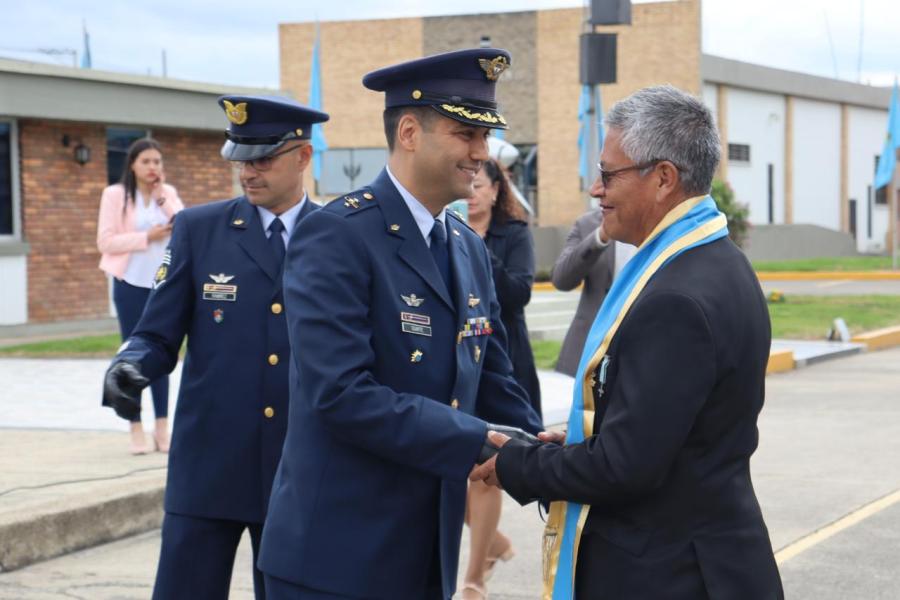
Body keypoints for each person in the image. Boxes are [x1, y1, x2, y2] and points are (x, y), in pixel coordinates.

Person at [471, 85, 784, 599]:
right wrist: (574, 444)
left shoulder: (675, 298)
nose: (597, 190)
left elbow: (626, 466)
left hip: (670, 574)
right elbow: (665, 433)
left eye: (609, 174)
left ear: (663, 179)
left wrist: (520, 465)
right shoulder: (718, 262)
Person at [258, 48, 543, 600]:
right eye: (466, 133)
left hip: (424, 552)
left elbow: (488, 377)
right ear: (410, 131)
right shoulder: (337, 235)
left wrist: (541, 445)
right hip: (336, 559)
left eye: (485, 137)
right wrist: (480, 441)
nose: (482, 153)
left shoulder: (466, 245)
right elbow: (340, 393)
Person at [101, 95, 328, 600]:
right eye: (240, 158)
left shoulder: (339, 236)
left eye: (263, 158)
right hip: (209, 465)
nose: (247, 172)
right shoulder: (200, 230)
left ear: (303, 156)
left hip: (300, 467)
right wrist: (131, 362)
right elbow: (158, 333)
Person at [460, 157, 539, 599]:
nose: (471, 192)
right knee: (452, 468)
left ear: (496, 190)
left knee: (483, 468)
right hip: (459, 362)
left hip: (502, 360)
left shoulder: (514, 234)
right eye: (467, 184)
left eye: (479, 185)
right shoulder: (445, 232)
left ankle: (473, 578)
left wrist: (477, 247)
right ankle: (494, 545)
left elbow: (517, 292)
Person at [97, 137, 183, 454]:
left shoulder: (167, 194)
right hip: (129, 283)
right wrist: (147, 237)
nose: (152, 168)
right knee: (132, 354)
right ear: (132, 165)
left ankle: (162, 428)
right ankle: (134, 426)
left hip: (162, 285)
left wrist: (161, 197)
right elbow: (106, 242)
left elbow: (183, 226)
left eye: (157, 162)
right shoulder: (115, 195)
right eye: (146, 161)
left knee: (161, 353)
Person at [551, 207, 636, 377]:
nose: (595, 190)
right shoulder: (588, 223)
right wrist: (600, 237)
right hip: (591, 352)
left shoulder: (665, 224)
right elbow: (561, 279)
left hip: (640, 349)